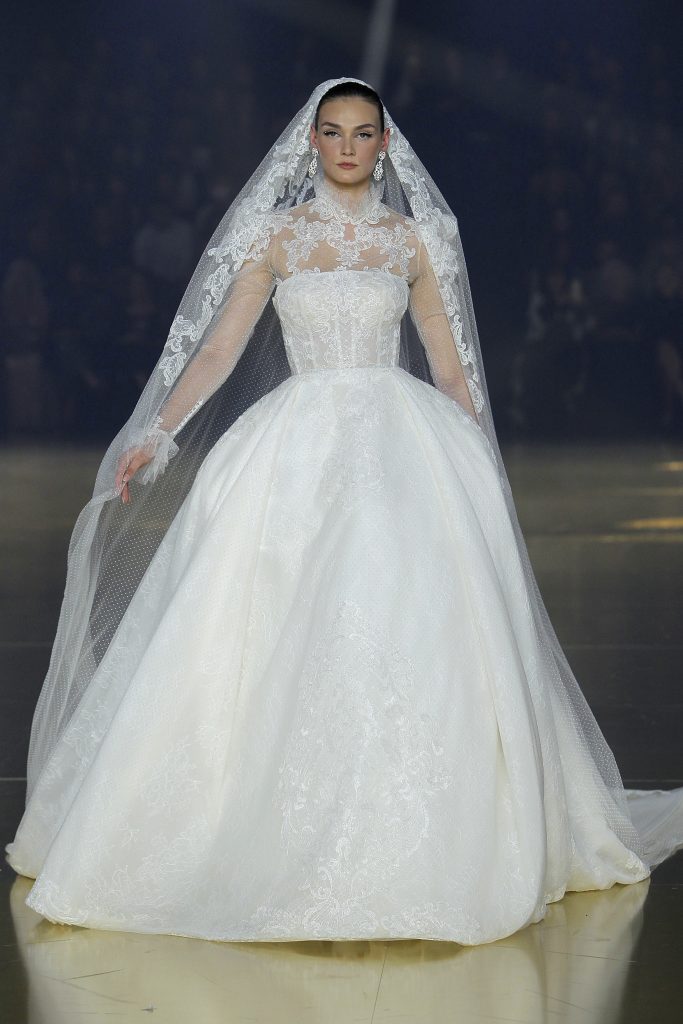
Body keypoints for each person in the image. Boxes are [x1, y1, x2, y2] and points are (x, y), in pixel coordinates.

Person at [5, 78, 683, 946]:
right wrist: (158, 431)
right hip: (297, 443)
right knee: (263, 616)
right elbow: (219, 347)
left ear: (384, 143)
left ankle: (434, 832)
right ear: (313, 141)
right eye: (333, 132)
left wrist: (477, 459)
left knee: (409, 614)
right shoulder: (275, 236)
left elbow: (447, 360)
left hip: (403, 442)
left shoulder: (414, 238)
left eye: (364, 133)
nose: (349, 147)